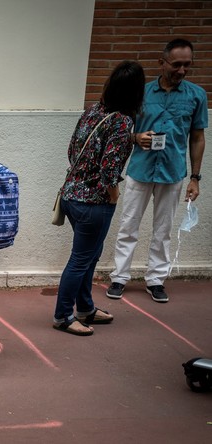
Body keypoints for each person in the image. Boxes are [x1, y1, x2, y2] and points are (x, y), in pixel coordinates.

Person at [107, 39, 208, 303]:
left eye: (187, 65)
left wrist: (195, 178)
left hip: (173, 171)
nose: (182, 71)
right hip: (140, 170)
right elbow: (121, 128)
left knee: (163, 230)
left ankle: (156, 279)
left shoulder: (196, 95)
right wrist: (135, 137)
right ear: (162, 62)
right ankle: (119, 276)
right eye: (176, 65)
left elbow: (197, 137)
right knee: (128, 226)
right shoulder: (141, 92)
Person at [53, 61, 145, 336]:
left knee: (89, 256)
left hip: (71, 196)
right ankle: (62, 316)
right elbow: (109, 168)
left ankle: (85, 309)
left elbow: (72, 150)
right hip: (94, 203)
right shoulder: (123, 121)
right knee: (81, 259)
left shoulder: (93, 111)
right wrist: (113, 194)